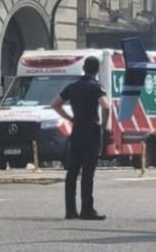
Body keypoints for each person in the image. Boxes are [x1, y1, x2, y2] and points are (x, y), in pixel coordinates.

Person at [50, 56, 110, 220]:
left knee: (72, 171)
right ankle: (87, 209)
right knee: (88, 172)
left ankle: (70, 210)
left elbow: (54, 103)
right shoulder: (96, 87)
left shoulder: (72, 87)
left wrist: (69, 117)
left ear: (84, 68)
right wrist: (103, 126)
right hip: (91, 130)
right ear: (97, 70)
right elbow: (105, 106)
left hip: (77, 130)